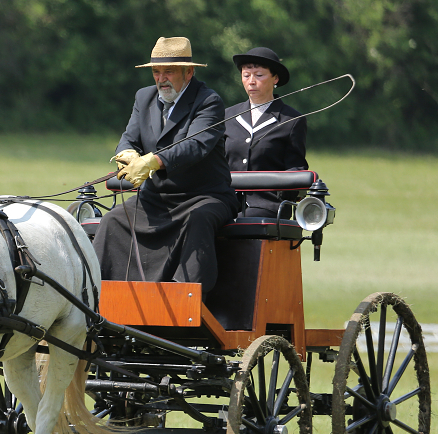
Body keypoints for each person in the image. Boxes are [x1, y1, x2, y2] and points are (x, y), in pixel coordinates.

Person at [92, 37, 237, 294]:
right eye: (156, 72)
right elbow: (129, 137)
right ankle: (99, 296)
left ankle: (186, 296)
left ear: (189, 72)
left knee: (198, 219)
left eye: (168, 71)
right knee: (112, 221)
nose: (161, 79)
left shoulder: (208, 101)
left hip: (203, 197)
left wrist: (153, 161)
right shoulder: (144, 97)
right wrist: (127, 154)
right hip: (156, 198)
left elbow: (196, 145)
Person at [224, 47, 307, 218]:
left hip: (269, 204)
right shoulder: (227, 116)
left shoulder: (291, 120)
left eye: (259, 75)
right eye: (246, 75)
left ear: (275, 78)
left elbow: (296, 170)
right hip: (226, 200)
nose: (251, 81)